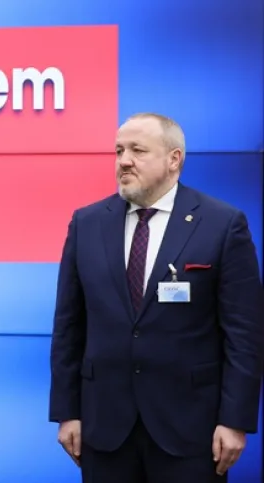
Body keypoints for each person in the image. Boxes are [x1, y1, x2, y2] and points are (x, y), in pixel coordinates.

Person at [49, 112, 264, 482]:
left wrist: (235, 419)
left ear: (174, 159)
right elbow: (69, 325)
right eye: (118, 151)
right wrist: (68, 411)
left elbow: (244, 334)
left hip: (191, 429)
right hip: (105, 428)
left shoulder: (222, 224)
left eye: (137, 150)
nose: (123, 161)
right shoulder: (86, 223)